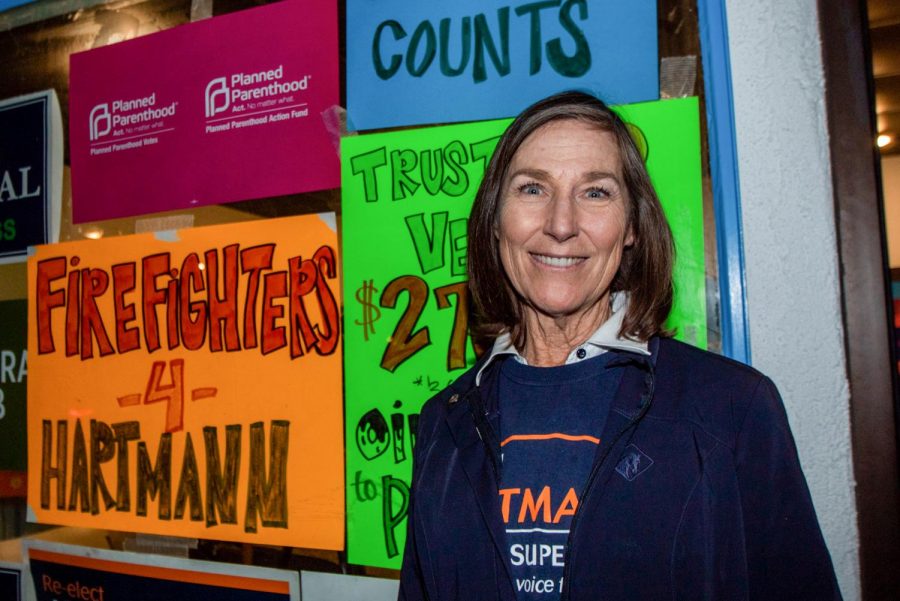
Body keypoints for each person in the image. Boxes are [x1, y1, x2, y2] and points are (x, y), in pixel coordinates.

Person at [398, 91, 842, 600]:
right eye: (532, 188)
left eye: (595, 193)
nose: (561, 225)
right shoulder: (444, 421)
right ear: (495, 220)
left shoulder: (733, 408)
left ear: (631, 227)